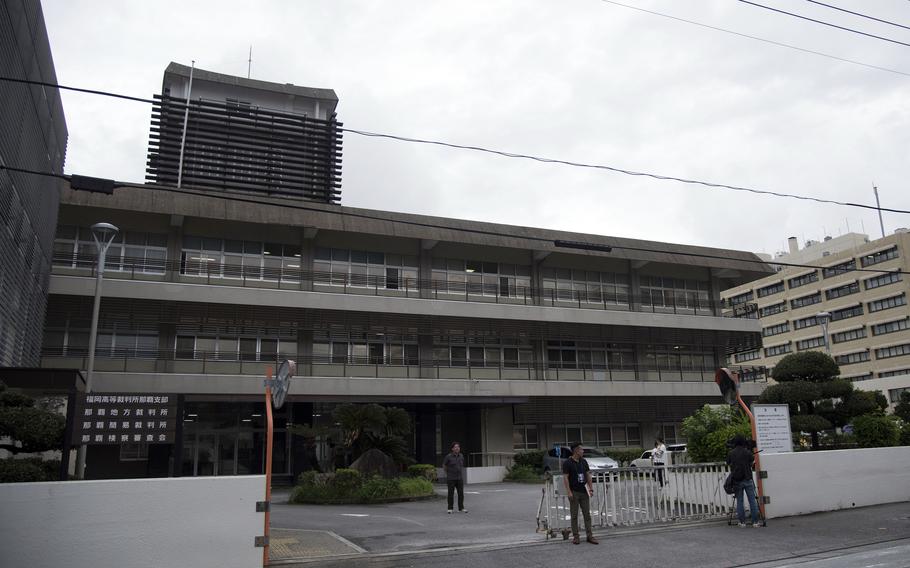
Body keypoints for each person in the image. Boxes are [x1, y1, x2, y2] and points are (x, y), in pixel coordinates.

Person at [561, 443, 599, 545]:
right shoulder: (567, 463)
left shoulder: (584, 461)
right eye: (581, 450)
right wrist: (569, 491)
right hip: (574, 491)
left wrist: (591, 489)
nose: (583, 451)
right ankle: (576, 536)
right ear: (576, 451)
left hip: (584, 491)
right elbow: (565, 478)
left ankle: (589, 536)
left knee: (587, 514)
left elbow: (588, 475)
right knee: (574, 515)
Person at [727, 435, 760, 527]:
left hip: (737, 480)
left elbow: (728, 463)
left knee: (740, 501)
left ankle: (742, 522)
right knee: (752, 500)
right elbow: (752, 462)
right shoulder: (747, 452)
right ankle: (755, 522)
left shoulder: (731, 453)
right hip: (748, 478)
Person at [443, 441, 467, 514]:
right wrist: (448, 473)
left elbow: (461, 465)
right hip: (451, 478)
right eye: (455, 447)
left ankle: (461, 508)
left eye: (458, 447)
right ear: (452, 449)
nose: (457, 448)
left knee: (461, 494)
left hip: (459, 478)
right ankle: (450, 508)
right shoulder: (448, 456)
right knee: (450, 494)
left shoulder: (461, 456)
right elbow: (444, 465)